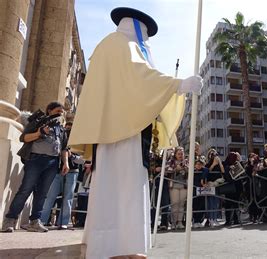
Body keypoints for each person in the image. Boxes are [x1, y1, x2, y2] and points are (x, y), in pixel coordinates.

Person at [67, 7, 202, 258]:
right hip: (125, 132)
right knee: (125, 188)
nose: (147, 40)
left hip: (114, 129)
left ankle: (106, 244)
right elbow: (142, 77)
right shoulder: (123, 45)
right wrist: (178, 84)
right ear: (138, 28)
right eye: (147, 34)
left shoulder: (107, 45)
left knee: (110, 187)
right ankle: (123, 246)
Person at [2, 102, 69, 233]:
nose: (60, 114)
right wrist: (39, 133)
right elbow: (24, 138)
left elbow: (64, 148)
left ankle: (35, 221)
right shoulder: (38, 122)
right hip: (35, 160)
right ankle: (10, 220)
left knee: (42, 193)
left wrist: (65, 162)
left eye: (62, 112)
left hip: (52, 163)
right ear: (49, 111)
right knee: (25, 190)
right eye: (57, 111)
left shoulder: (61, 129)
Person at [41, 122, 84, 229]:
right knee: (50, 196)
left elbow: (83, 160)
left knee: (67, 198)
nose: (68, 131)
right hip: (57, 172)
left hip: (72, 172)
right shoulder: (59, 138)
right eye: (67, 129)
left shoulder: (79, 142)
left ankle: (63, 222)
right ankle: (41, 220)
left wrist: (72, 156)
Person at [165, 147, 188, 230]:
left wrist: (185, 168)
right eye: (179, 154)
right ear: (175, 154)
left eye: (182, 154)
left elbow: (191, 170)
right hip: (173, 185)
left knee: (182, 204)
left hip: (184, 185)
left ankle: (180, 222)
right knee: (174, 204)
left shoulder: (186, 161)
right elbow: (167, 169)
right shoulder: (171, 161)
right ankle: (174, 222)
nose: (180, 155)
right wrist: (175, 169)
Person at [198, 160, 219, 227]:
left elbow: (223, 171)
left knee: (215, 203)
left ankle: (214, 218)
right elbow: (207, 169)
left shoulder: (218, 165)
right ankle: (209, 219)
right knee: (208, 203)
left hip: (214, 185)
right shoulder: (207, 165)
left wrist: (219, 163)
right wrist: (213, 164)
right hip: (206, 185)